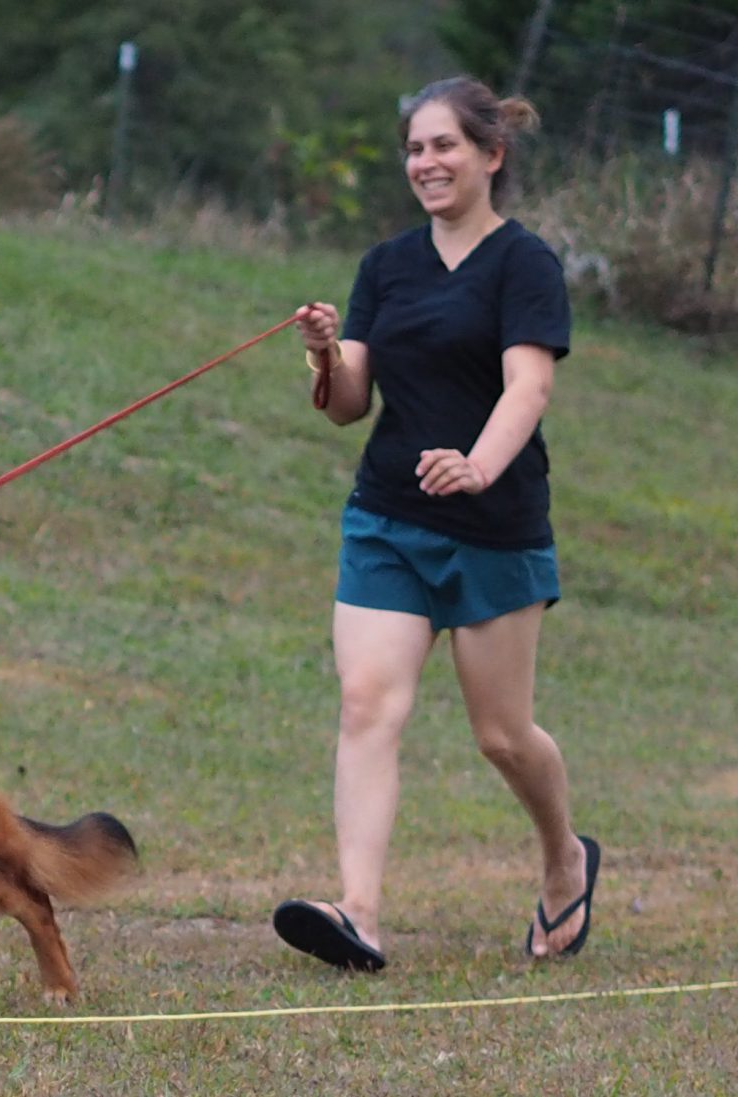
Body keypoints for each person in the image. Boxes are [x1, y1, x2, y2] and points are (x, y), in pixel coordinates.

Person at [272, 75, 599, 972]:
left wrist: (478, 465)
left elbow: (528, 383)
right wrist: (323, 350)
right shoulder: (387, 265)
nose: (427, 162)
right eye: (416, 148)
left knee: (502, 735)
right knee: (368, 702)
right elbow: (347, 403)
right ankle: (360, 914)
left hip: (495, 525)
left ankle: (566, 858)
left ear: (491, 154)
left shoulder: (524, 263)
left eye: (444, 144)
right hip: (387, 517)